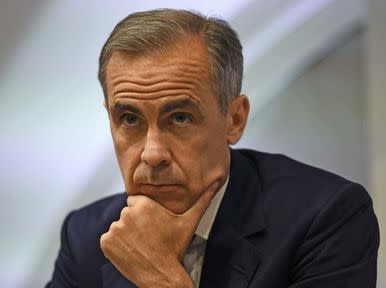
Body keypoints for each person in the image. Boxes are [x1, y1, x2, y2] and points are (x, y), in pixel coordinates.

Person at [46, 9, 379, 288]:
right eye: (129, 119)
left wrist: (162, 279)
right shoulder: (86, 234)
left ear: (234, 119)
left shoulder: (324, 219)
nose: (152, 154)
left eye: (179, 117)